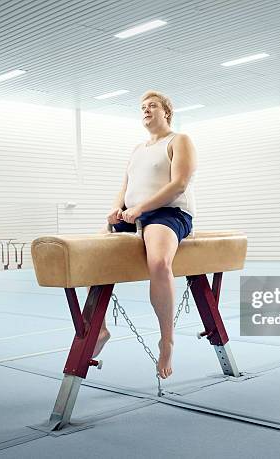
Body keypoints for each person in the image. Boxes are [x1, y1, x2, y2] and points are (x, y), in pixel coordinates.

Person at [93, 90, 197, 379]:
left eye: (152, 106)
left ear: (167, 112)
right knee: (91, 253)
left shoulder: (179, 140)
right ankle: (98, 329)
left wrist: (140, 209)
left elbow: (179, 184)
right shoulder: (137, 149)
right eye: (142, 107)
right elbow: (124, 186)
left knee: (159, 264)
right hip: (133, 211)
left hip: (169, 213)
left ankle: (167, 340)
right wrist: (116, 208)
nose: (146, 110)